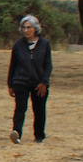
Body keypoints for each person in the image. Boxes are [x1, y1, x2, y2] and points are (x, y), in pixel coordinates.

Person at [7, 14, 52, 145]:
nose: (26, 30)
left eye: (29, 27)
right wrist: (10, 84)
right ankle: (17, 133)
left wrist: (44, 81)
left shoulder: (45, 44)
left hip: (39, 82)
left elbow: (48, 65)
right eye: (24, 28)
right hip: (21, 81)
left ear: (35, 28)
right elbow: (13, 65)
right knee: (20, 108)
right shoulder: (18, 45)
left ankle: (39, 135)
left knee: (39, 109)